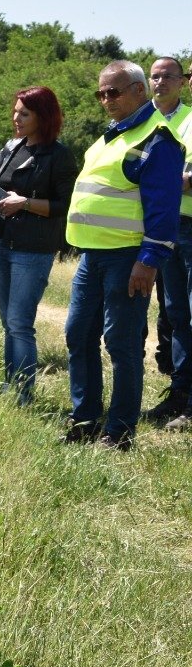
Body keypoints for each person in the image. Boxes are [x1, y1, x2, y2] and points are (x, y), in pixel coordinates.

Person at [64, 60, 186, 450]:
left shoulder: (157, 139)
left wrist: (148, 261)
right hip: (92, 257)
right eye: (101, 93)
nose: (106, 100)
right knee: (78, 334)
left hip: (126, 258)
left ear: (138, 90)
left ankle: (119, 433)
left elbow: (165, 210)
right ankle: (84, 421)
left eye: (113, 92)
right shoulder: (109, 138)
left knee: (122, 343)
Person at [0, 87, 78, 404]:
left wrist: (24, 203)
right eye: (15, 111)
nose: (16, 118)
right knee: (8, 322)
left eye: (24, 113)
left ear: (44, 116)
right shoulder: (14, 146)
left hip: (33, 249)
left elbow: (63, 205)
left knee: (19, 323)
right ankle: (10, 386)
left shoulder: (59, 155)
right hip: (2, 242)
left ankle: (23, 394)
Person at [142, 56, 192, 425]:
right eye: (154, 76)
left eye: (167, 77)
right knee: (175, 312)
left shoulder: (190, 119)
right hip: (159, 225)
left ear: (182, 82)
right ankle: (179, 393)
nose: (160, 82)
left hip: (188, 224)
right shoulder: (142, 119)